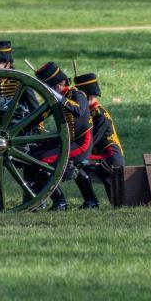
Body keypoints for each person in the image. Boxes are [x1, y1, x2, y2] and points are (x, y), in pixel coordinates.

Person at [31, 62, 95, 211]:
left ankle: (60, 202)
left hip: (81, 144)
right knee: (34, 154)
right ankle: (37, 198)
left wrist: (59, 98)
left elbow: (78, 110)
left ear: (57, 85)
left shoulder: (78, 94)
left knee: (44, 161)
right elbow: (41, 115)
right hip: (66, 141)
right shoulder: (58, 97)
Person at [74, 73, 124, 206]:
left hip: (109, 159)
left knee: (76, 163)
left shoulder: (98, 114)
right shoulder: (90, 112)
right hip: (101, 156)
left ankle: (91, 202)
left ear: (89, 96)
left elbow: (90, 142)